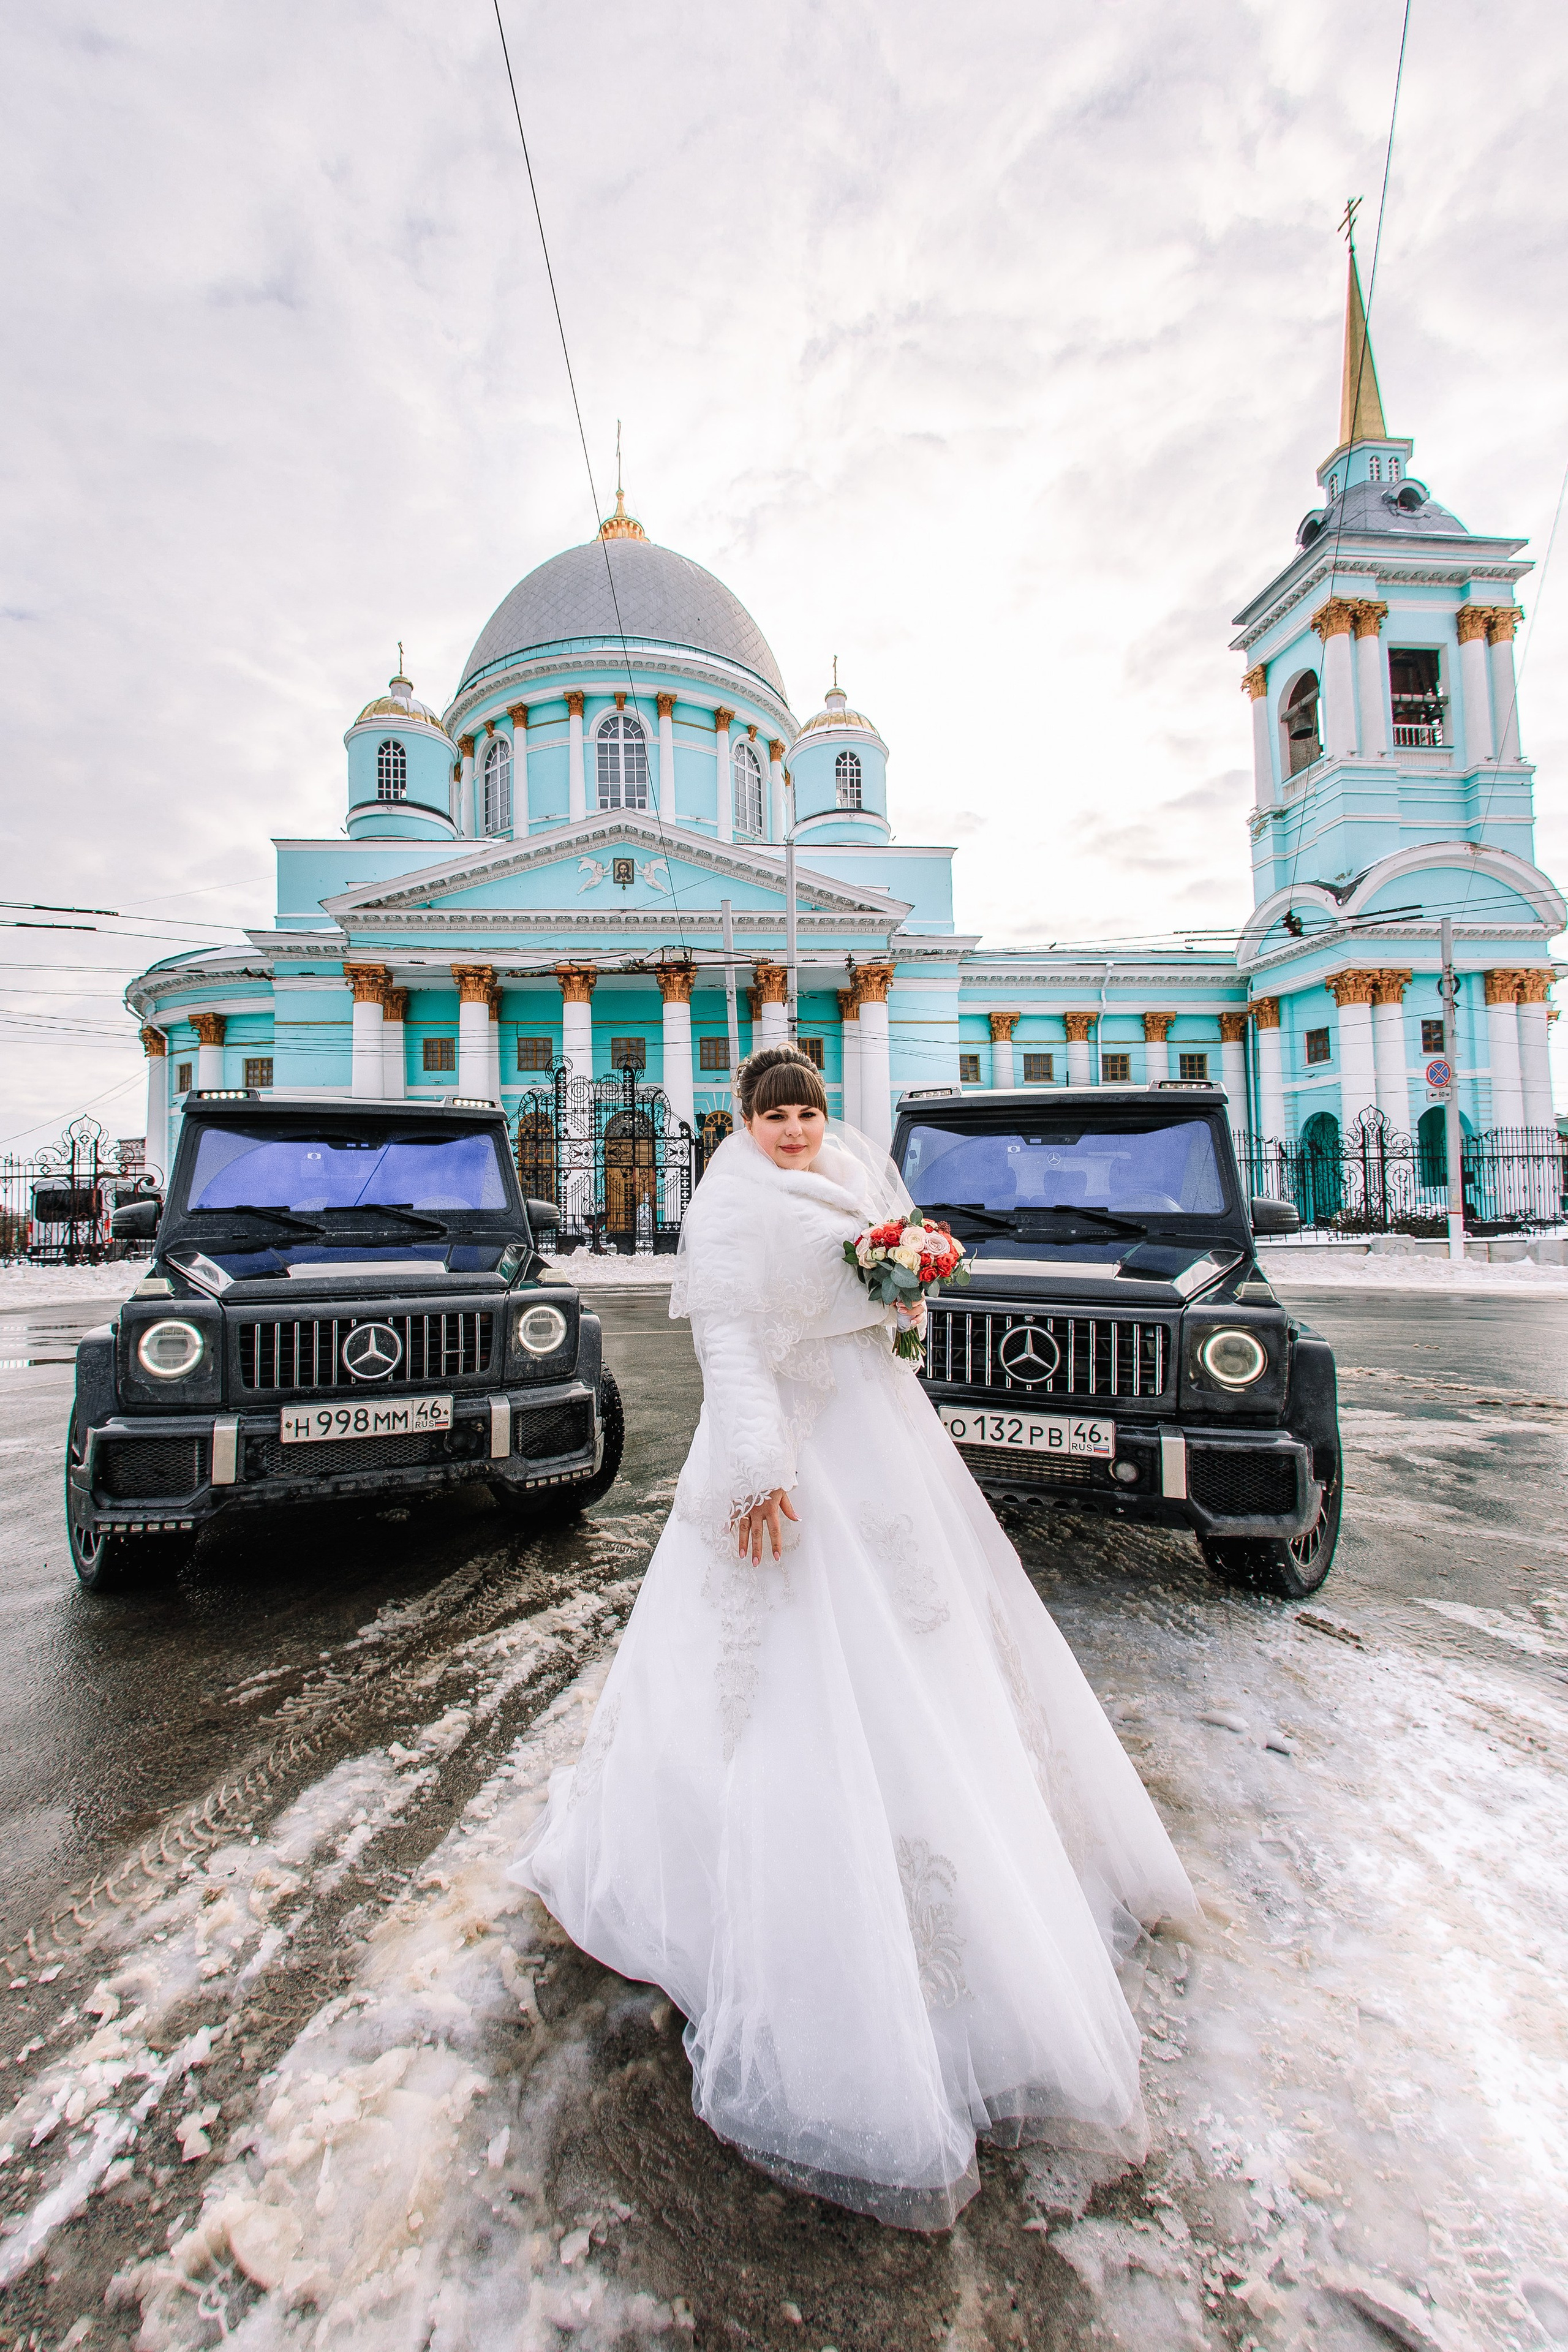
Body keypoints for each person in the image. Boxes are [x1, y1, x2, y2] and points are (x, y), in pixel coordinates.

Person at [510, 1044, 1197, 2230]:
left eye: (807, 1110)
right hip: (792, 1452)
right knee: (780, 1681)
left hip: (881, 1441)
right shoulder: (730, 1208)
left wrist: (904, 1285)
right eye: (774, 1113)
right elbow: (730, 1349)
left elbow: (896, 1306)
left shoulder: (856, 1176)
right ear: (744, 1119)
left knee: (934, 1654)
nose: (793, 1128)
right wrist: (757, 1472)